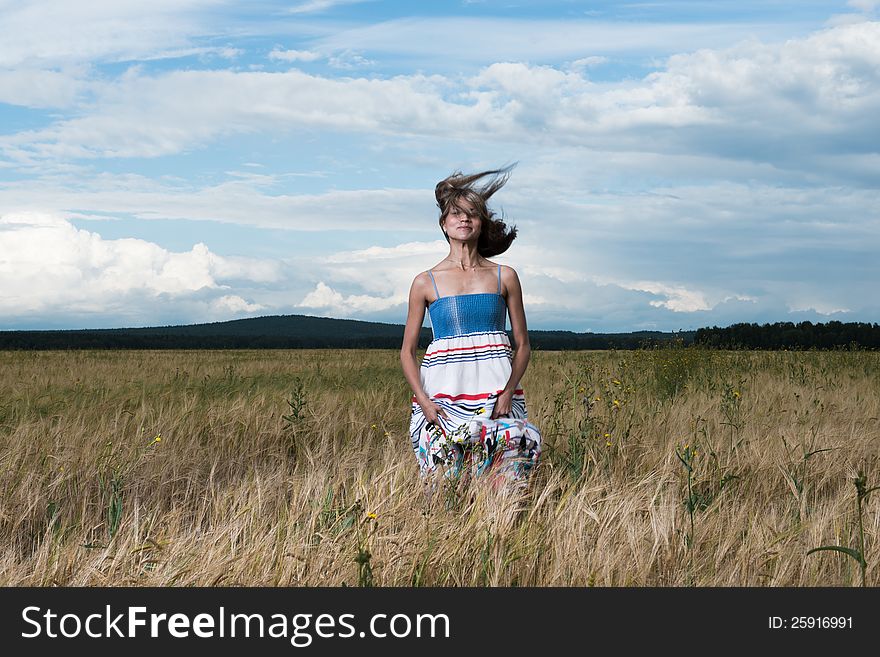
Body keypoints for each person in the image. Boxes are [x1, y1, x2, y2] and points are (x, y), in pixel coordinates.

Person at [399, 165, 541, 488]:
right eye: (456, 214)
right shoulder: (425, 282)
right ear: (444, 225)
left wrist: (507, 393)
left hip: (497, 398)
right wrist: (423, 400)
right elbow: (407, 352)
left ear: (481, 223)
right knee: (446, 486)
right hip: (444, 401)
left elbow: (523, 345)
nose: (464, 220)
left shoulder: (505, 276)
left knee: (505, 484)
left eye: (472, 214)